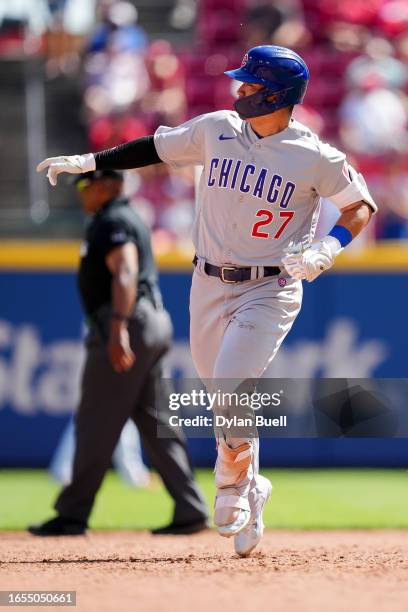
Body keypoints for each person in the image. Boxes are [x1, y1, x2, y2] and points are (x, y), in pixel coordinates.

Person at [36, 45, 377, 556]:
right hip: (208, 284)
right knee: (223, 396)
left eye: (250, 85)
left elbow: (360, 205)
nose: (238, 90)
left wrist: (328, 247)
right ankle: (252, 488)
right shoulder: (216, 129)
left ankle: (231, 485)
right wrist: (88, 160)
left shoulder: (314, 155)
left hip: (271, 286)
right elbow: (154, 147)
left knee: (231, 383)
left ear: (278, 95)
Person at [28, 169, 208, 536]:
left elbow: (125, 270)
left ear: (109, 185)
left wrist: (118, 328)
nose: (82, 192)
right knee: (158, 423)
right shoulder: (125, 217)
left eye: (86, 184)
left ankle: (72, 514)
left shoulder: (112, 220)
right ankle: (190, 509)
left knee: (95, 421)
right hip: (153, 321)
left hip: (128, 321)